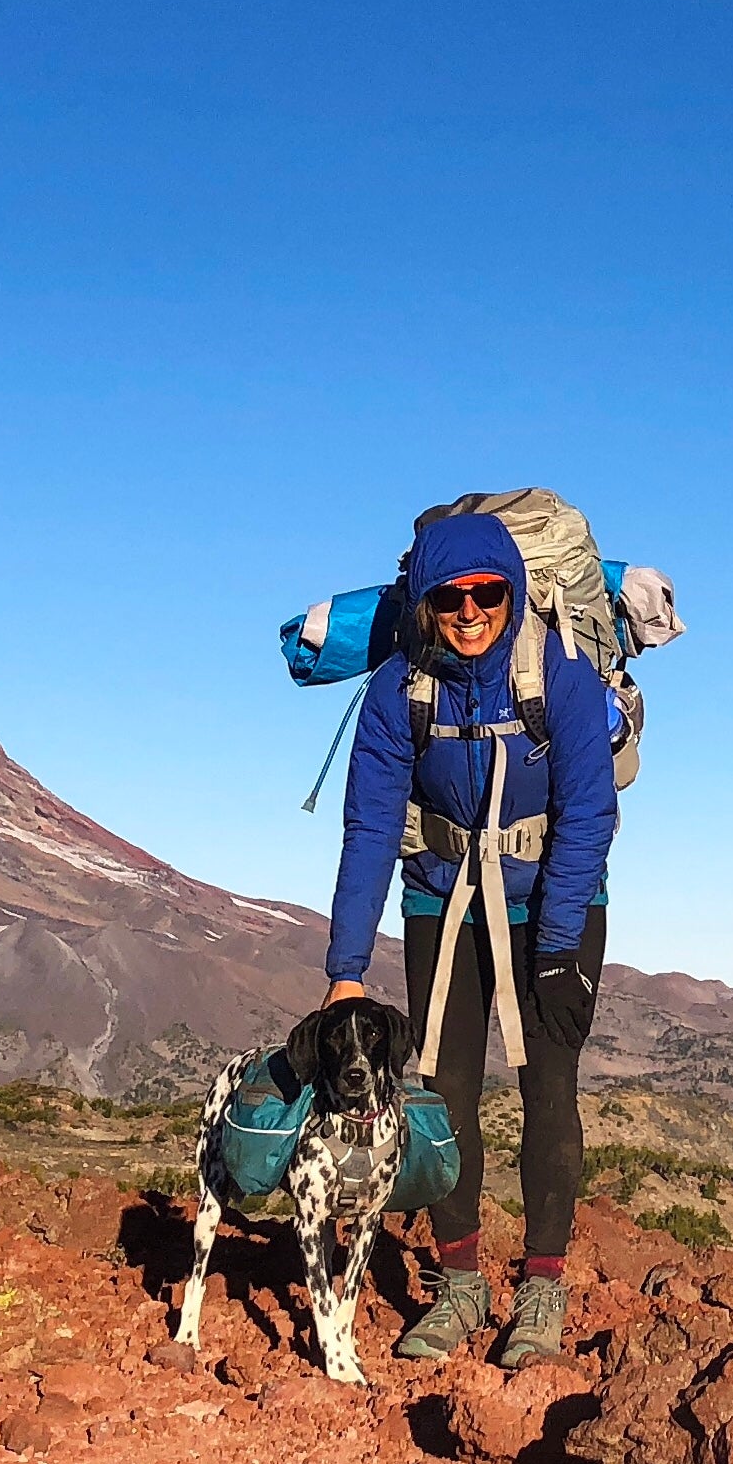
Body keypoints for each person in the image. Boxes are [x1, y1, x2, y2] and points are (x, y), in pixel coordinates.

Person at [321, 510, 619, 1367]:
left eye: (488, 593)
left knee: (547, 1088)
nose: (470, 611)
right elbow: (370, 825)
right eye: (450, 597)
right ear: (424, 601)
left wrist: (560, 946)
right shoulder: (398, 690)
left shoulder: (556, 672)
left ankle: (543, 1285)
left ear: (513, 590)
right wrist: (345, 967)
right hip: (441, 900)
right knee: (442, 1095)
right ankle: (459, 1285)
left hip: (551, 904)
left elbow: (589, 812)